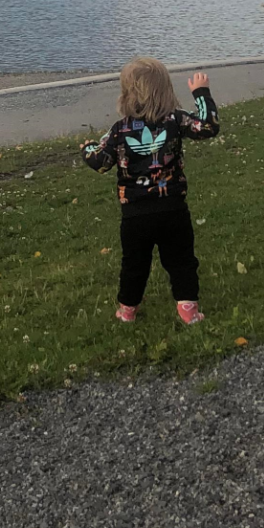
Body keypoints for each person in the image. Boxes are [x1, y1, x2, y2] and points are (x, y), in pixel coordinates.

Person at [81, 57, 220, 326]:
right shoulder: (175, 120)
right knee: (181, 260)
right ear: (166, 89)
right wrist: (201, 94)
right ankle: (188, 310)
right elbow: (208, 127)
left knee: (134, 264)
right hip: (173, 209)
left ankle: (127, 311)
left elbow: (100, 162)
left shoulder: (120, 130)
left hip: (135, 214)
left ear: (127, 93)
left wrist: (87, 149)